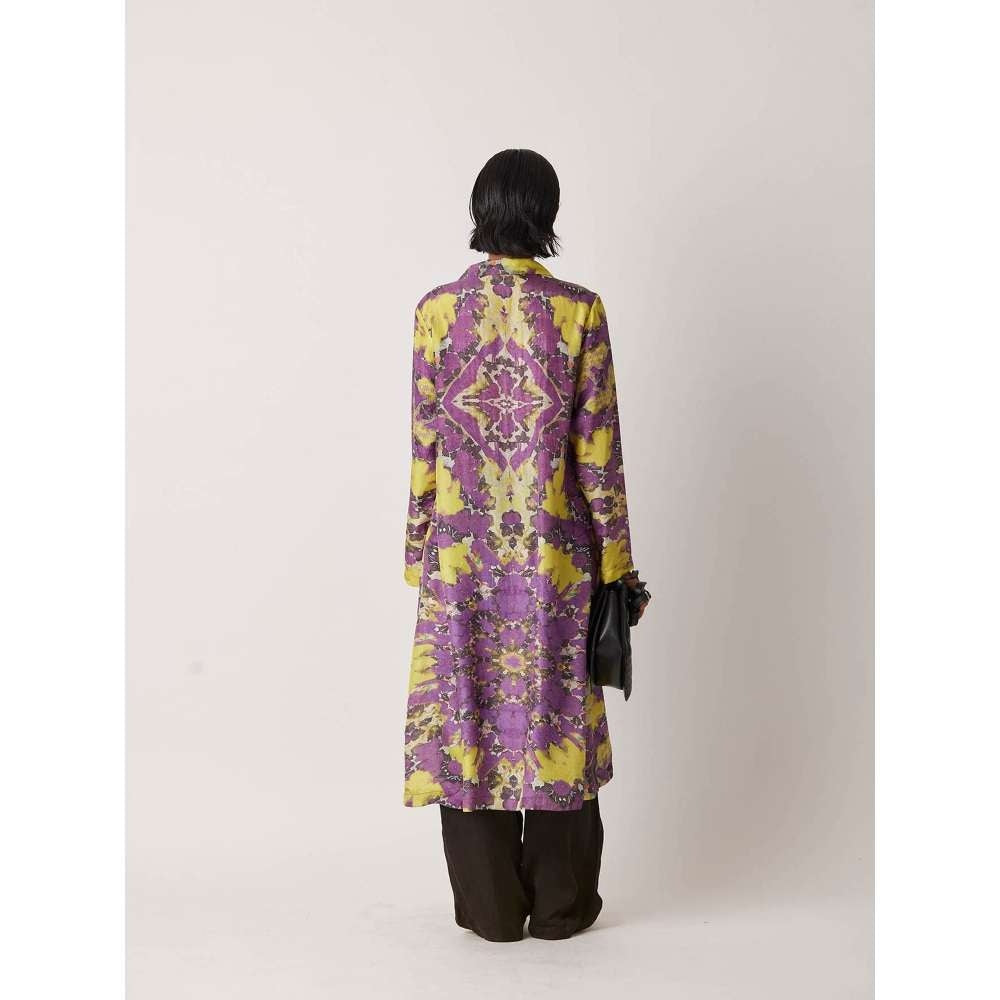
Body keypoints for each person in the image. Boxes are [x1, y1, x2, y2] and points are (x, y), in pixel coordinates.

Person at [402, 148, 648, 942]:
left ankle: (490, 910)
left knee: (468, 716)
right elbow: (598, 453)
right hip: (556, 561)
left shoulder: (436, 312)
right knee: (557, 717)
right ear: (548, 214)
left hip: (461, 558)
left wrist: (419, 550)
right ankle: (563, 908)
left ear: (481, 210)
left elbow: (425, 444)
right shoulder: (579, 313)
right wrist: (618, 566)